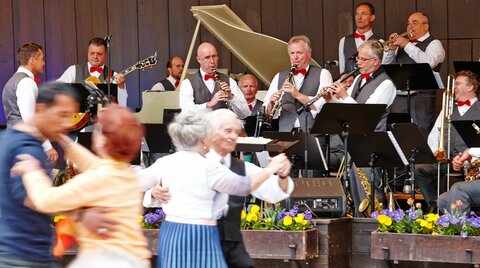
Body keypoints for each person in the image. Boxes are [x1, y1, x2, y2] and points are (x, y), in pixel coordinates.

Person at [138, 108, 290, 267]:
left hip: (172, 233)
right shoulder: (209, 167)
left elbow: (137, 181)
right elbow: (242, 186)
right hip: (202, 233)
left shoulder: (166, 162)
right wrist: (270, 169)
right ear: (203, 139)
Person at [11, 104, 151, 266]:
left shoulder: (96, 178)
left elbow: (45, 200)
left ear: (103, 140)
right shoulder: (127, 174)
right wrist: (62, 138)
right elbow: (93, 164)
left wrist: (32, 171)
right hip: (135, 260)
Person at [0, 82, 118, 267]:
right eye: (61, 115)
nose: (66, 123)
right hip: (24, 257)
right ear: (41, 109)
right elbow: (35, 199)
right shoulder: (26, 148)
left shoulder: (13, 136)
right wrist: (81, 215)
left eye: (69, 116)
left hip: (28, 252)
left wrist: (60, 137)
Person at [319, 40, 397, 213]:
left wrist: (344, 95)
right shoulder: (359, 80)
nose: (358, 63)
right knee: (356, 195)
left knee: (370, 194)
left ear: (376, 61)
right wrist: (330, 99)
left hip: (371, 145)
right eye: (358, 58)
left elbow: (366, 116)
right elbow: (346, 107)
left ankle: (374, 228)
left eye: (363, 59)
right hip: (354, 143)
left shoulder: (386, 84)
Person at [416, 70, 480, 207]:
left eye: (458, 84)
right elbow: (434, 134)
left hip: (473, 163)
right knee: (420, 169)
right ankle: (436, 204)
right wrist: (437, 151)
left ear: (470, 87)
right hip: (450, 160)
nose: (453, 87)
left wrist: (470, 158)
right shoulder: (448, 108)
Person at [383, 12, 445, 138]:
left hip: (421, 98)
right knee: (397, 134)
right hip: (398, 97)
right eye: (408, 23)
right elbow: (386, 66)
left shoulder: (434, 43)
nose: (410, 26)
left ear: (426, 26)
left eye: (415, 23)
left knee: (420, 133)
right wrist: (390, 50)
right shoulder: (402, 45)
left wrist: (406, 44)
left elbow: (428, 62)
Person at [263, 35, 333, 132]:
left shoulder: (323, 74)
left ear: (309, 54)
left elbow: (320, 106)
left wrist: (297, 94)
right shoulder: (279, 76)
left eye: (299, 53)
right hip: (285, 133)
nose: (295, 57)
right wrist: (271, 103)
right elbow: (266, 110)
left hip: (312, 133)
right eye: (292, 53)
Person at [2, 42, 58, 163]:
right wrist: (48, 147)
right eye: (42, 59)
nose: (44, 63)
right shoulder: (26, 83)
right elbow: (30, 120)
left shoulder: (12, 81)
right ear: (33, 60)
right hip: (24, 145)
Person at [179, 42, 250, 119]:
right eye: (207, 57)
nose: (212, 61)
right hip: (200, 130)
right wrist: (208, 104)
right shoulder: (187, 83)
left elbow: (245, 114)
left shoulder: (230, 81)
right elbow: (186, 113)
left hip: (222, 129)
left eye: (214, 56)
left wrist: (231, 97)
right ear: (199, 60)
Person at [57, 37, 128, 106]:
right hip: (77, 117)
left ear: (106, 55)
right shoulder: (73, 70)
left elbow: (122, 104)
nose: (95, 57)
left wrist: (121, 87)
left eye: (99, 54)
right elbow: (56, 90)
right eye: (92, 53)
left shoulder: (114, 75)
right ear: (87, 53)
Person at [338, 2, 381, 73]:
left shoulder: (380, 42)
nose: (359, 17)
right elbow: (342, 69)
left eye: (363, 14)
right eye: (357, 14)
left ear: (372, 18)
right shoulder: (344, 40)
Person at [438, 147, 480, 214]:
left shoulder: (470, 150)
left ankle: (458, 224)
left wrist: (469, 152)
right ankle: (470, 223)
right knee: (443, 199)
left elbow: (471, 151)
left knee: (459, 188)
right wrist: (463, 160)